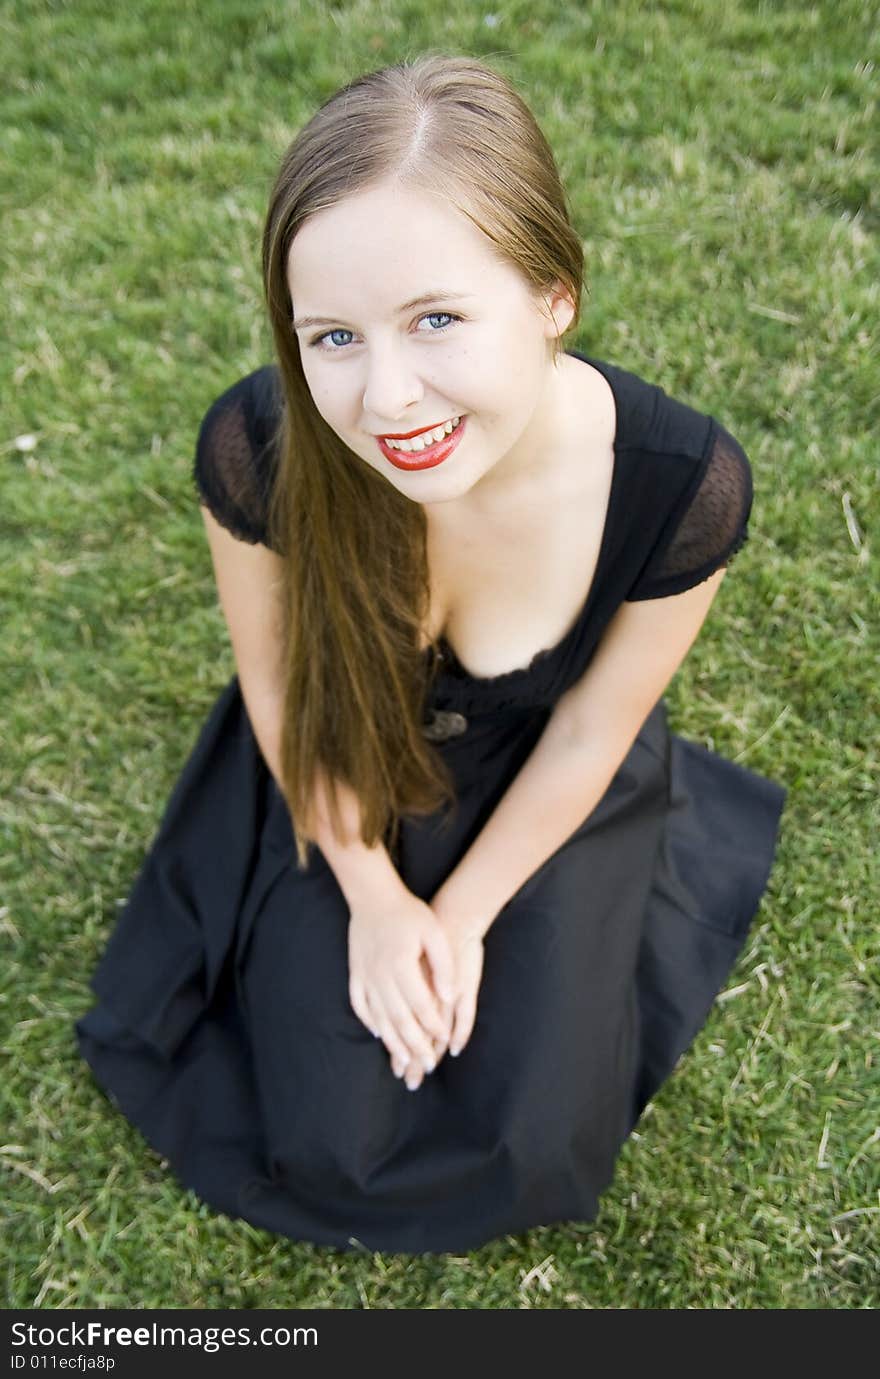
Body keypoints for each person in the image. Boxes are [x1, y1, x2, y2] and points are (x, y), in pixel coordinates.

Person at [75, 54, 787, 1255]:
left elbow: (588, 728)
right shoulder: (260, 446)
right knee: (323, 1122)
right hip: (341, 759)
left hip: (537, 785)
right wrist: (368, 894)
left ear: (553, 294)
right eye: (334, 335)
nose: (387, 397)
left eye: (438, 318)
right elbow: (283, 689)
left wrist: (454, 918)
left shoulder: (681, 487)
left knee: (526, 1123)